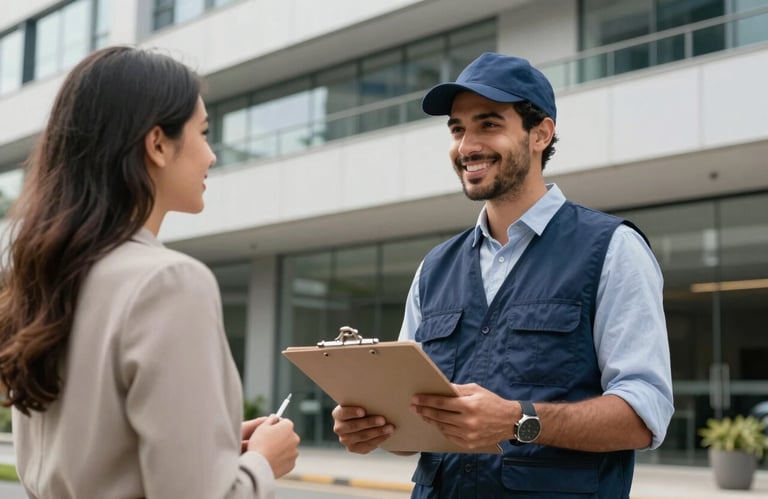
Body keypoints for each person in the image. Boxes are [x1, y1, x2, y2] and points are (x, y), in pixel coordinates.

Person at [331, 52, 674, 497]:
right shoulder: (435, 267)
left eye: (488, 124)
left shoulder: (613, 249)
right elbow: (413, 425)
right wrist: (376, 427)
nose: (466, 145)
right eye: (457, 129)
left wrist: (520, 420)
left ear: (540, 133)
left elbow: (646, 414)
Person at [0, 46, 299, 498]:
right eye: (203, 133)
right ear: (157, 144)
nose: (212, 156)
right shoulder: (169, 282)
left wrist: (205, 446)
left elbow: (92, 455)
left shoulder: (48, 277)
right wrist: (263, 461)